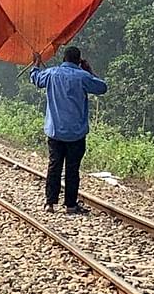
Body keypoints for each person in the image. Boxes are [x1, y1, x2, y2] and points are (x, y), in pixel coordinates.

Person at [30, 46, 107, 214]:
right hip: (76, 133)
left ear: (63, 59)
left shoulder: (51, 73)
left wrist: (35, 64)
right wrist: (90, 71)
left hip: (55, 131)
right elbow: (102, 88)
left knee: (54, 166)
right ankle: (71, 205)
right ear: (79, 61)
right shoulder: (83, 76)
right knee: (72, 169)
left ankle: (50, 203)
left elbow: (35, 79)